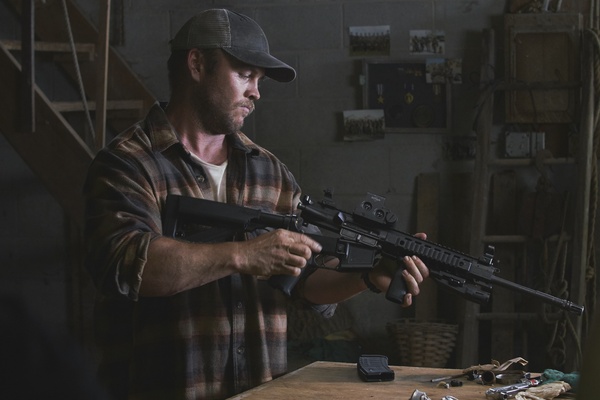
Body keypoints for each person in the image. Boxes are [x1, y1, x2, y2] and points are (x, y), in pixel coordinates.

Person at [83, 8, 429, 400]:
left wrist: (366, 277)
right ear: (197, 64)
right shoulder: (128, 164)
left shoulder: (270, 172)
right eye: (245, 74)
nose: (256, 93)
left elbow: (305, 279)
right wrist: (244, 255)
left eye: (260, 80)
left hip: (256, 390)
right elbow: (128, 265)